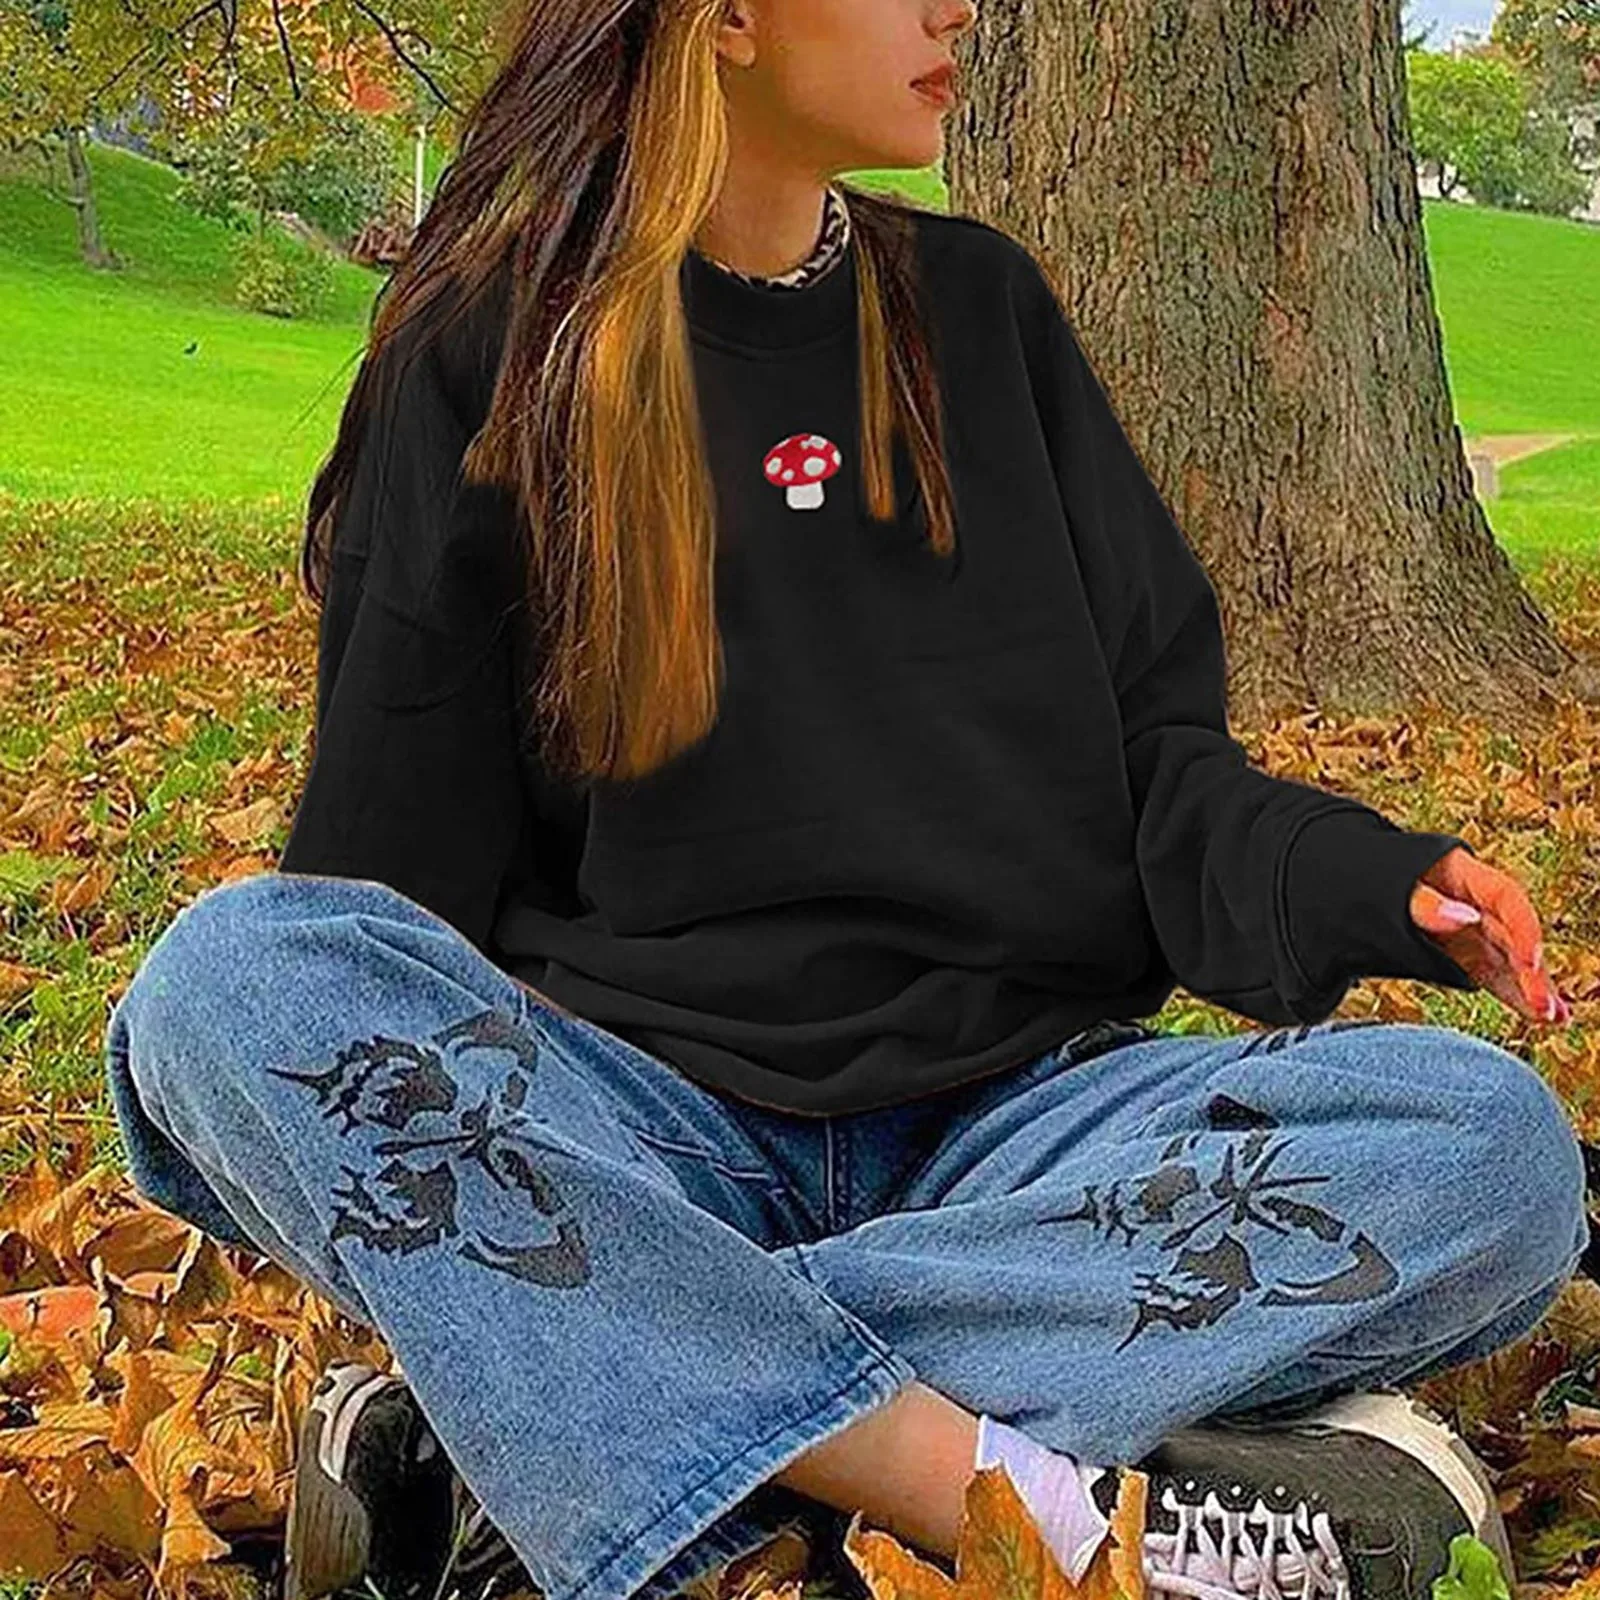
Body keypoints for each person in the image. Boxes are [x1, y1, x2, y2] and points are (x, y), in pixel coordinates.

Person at [102, 2, 1589, 1599]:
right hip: (640, 1135)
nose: (958, 8)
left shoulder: (983, 313)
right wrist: (471, 1159)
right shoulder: (488, 349)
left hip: (1014, 1136)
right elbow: (377, 912)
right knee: (224, 984)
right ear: (729, 18)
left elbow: (1160, 769)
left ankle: (558, 1407)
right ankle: (1021, 1503)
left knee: (1489, 1152)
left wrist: (1365, 880)